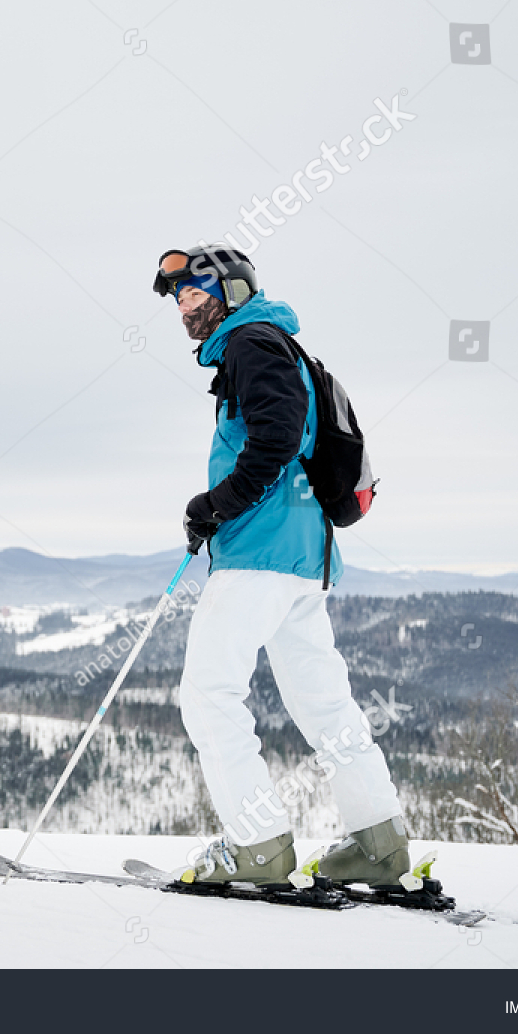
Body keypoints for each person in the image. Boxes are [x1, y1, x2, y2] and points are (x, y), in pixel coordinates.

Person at [154, 245, 411, 889]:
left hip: (259, 552)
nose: (185, 305)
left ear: (234, 289)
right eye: (178, 297)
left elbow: (275, 436)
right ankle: (379, 844)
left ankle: (257, 845)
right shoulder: (275, 344)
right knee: (323, 701)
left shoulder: (251, 343)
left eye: (195, 290)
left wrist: (213, 506)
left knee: (209, 696)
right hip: (305, 555)